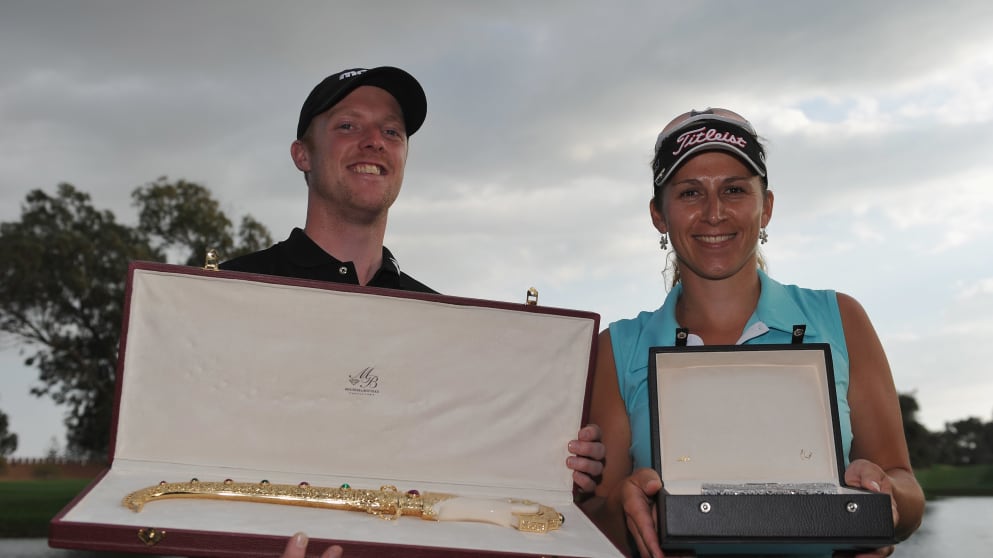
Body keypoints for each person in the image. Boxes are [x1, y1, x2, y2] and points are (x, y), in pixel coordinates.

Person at [219, 67, 605, 557]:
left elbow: (473, 465)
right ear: (302, 155)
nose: (374, 142)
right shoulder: (231, 292)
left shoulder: (441, 322)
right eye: (348, 126)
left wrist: (559, 462)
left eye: (391, 131)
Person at [583, 108, 924, 558]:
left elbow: (906, 488)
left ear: (766, 207)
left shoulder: (841, 317)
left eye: (735, 190)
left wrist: (884, 501)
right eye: (689, 193)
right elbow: (597, 516)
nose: (714, 213)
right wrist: (628, 509)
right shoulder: (617, 347)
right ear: (658, 215)